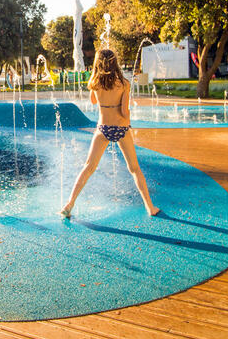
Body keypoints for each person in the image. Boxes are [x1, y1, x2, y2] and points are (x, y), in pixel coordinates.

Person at [61, 49, 160, 218]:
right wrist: (128, 121)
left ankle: (69, 204)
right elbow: (124, 111)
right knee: (134, 169)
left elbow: (92, 101)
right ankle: (150, 207)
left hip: (103, 129)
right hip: (121, 129)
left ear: (97, 64)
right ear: (115, 63)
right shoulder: (124, 83)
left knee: (88, 167)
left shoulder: (95, 82)